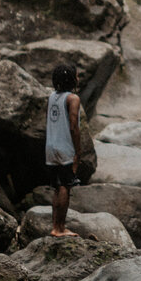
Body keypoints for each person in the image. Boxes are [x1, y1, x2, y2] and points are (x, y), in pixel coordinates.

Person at [45, 63, 82, 238]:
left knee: (57, 187)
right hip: (65, 147)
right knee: (66, 187)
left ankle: (55, 226)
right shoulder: (72, 99)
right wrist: (78, 151)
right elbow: (74, 126)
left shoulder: (52, 97)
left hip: (50, 147)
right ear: (71, 79)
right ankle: (60, 228)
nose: (78, 79)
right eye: (77, 76)